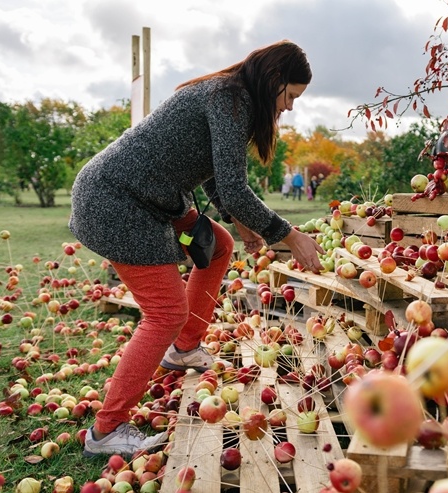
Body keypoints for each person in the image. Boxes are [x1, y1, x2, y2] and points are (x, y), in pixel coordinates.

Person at [69, 40, 324, 458]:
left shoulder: (231, 96)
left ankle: (185, 348)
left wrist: (236, 219)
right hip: (117, 201)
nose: (291, 108)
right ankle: (107, 430)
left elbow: (212, 176)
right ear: (275, 80)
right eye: (291, 96)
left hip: (152, 197)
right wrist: (289, 235)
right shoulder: (230, 98)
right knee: (165, 312)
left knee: (219, 245)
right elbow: (232, 187)